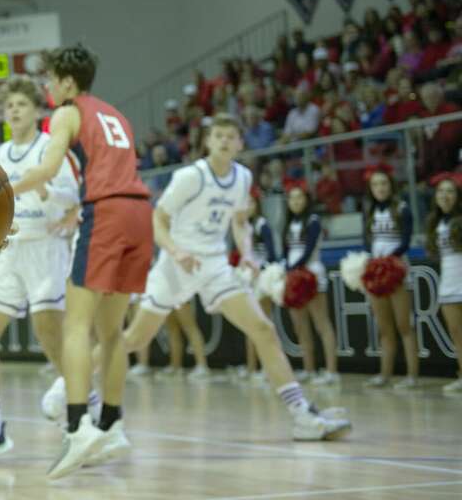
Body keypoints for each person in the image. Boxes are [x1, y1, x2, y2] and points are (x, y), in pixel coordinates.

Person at [123, 115, 350, 441]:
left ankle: (301, 414)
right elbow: (157, 219)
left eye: (231, 136)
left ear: (240, 143)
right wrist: (175, 252)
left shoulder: (243, 177)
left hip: (214, 265)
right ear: (208, 141)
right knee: (134, 339)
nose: (225, 141)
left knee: (264, 329)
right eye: (219, 136)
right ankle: (68, 390)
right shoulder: (190, 176)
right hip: (177, 264)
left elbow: (240, 222)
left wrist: (246, 252)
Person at [8, 45, 152, 478]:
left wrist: (1, 189)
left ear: (68, 82)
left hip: (106, 215)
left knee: (75, 325)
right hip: (139, 213)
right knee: (112, 333)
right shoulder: (117, 115)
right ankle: (111, 424)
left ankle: (77, 427)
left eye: (51, 80)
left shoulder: (69, 112)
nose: (48, 88)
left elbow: (48, 169)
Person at [0, 77, 80, 460]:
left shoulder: (51, 149)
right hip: (13, 251)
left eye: (21, 104)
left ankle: (81, 414)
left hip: (47, 248)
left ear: (37, 111)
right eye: (10, 105)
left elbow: (75, 199)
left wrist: (48, 191)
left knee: (50, 335)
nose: (14, 110)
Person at [360, 165, 418, 389]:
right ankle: (385, 375)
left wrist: (388, 261)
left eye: (383, 183)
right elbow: (366, 241)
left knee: (404, 325)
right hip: (376, 273)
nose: (380, 188)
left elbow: (405, 241)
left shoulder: (402, 208)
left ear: (391, 185)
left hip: (396, 271)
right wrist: (373, 264)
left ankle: (412, 376)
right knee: (384, 327)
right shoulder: (369, 211)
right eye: (375, 184)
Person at [281, 181, 340, 385]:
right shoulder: (288, 222)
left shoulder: (313, 220)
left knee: (321, 323)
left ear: (307, 200)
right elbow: (285, 251)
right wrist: (285, 269)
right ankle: (309, 369)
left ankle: (332, 371)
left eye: (300, 197)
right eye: (292, 198)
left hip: (311, 273)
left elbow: (308, 250)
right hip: (294, 275)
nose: (296, 202)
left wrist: (292, 268)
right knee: (300, 326)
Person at [426, 174, 462, 394]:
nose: (445, 196)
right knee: (456, 334)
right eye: (441, 192)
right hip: (448, 282)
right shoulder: (434, 222)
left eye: (450, 191)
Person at [243, 190, 278, 382]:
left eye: (251, 203)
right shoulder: (242, 226)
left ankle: (268, 368)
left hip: (262, 279)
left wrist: (260, 269)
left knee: (263, 324)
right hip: (248, 279)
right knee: (249, 326)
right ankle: (251, 369)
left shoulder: (262, 225)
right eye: (244, 203)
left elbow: (272, 255)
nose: (248, 207)